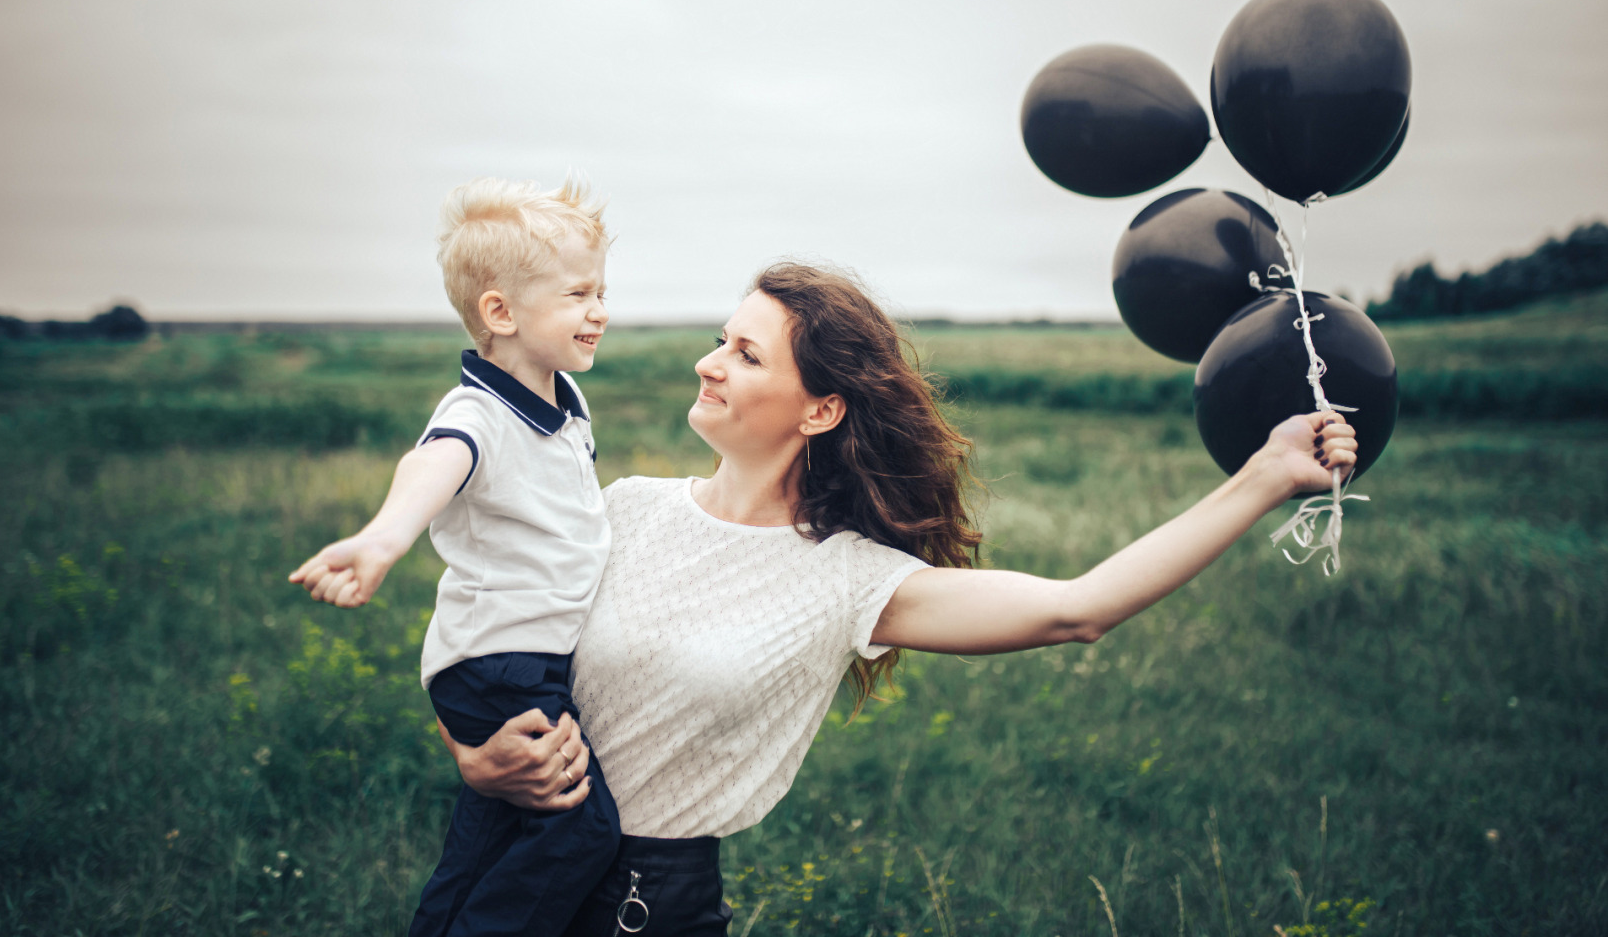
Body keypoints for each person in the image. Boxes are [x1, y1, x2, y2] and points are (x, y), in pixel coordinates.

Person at [437, 262, 1360, 937]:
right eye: (721, 340)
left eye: (745, 354)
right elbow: (488, 629)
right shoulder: (625, 508)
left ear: (820, 410)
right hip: (501, 851)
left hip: (645, 904)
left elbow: (1080, 608)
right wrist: (472, 757)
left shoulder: (850, 580)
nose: (708, 364)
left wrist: (1268, 475)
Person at [288, 176, 622, 937]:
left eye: (601, 291)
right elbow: (436, 464)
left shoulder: (565, 396)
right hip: (502, 663)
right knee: (580, 832)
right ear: (499, 312)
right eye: (576, 294)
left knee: (489, 839)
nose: (600, 310)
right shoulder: (476, 411)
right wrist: (384, 537)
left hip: (513, 660)